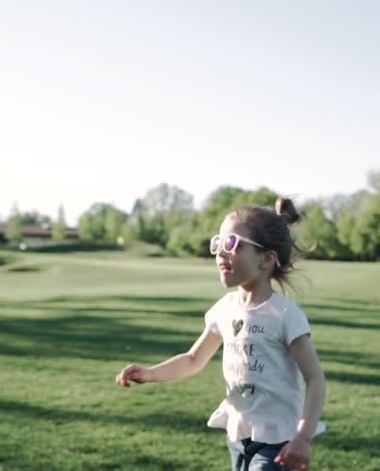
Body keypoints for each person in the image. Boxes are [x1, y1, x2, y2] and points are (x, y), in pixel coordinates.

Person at [116, 198, 326, 471]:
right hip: (238, 435)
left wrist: (303, 437)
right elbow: (193, 359)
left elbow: (315, 379)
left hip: (279, 440)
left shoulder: (284, 315)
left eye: (232, 244)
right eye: (219, 243)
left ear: (266, 259)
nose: (221, 253)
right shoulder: (225, 309)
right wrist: (149, 374)